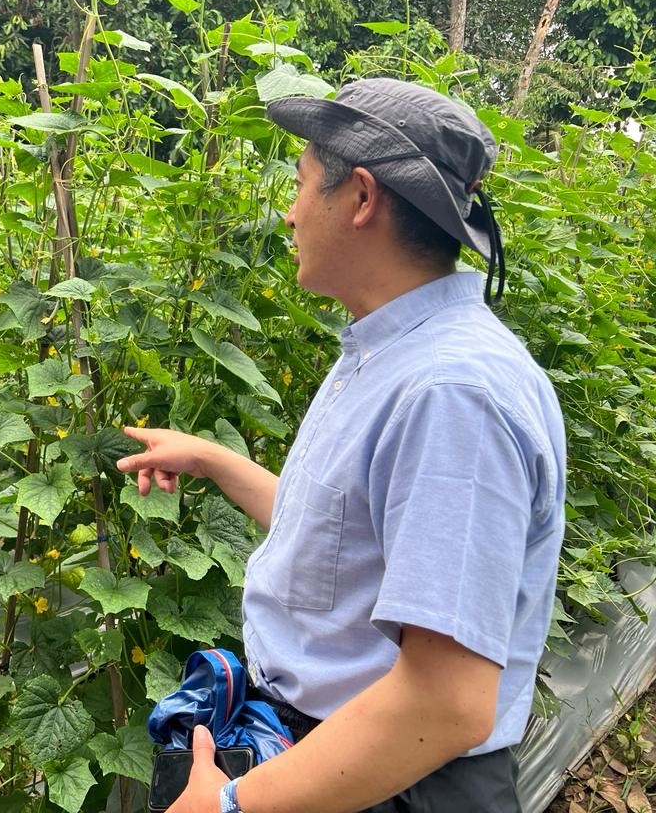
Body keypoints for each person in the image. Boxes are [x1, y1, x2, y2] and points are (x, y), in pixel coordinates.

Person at [117, 79, 566, 813]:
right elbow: (343, 543)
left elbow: (444, 703)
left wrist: (231, 807)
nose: (289, 213)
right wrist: (211, 458)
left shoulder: (452, 394)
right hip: (338, 756)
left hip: (390, 780)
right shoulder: (390, 352)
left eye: (298, 185)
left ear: (360, 199)